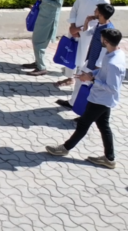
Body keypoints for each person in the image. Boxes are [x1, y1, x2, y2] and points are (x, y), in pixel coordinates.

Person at [46, 28, 124, 169]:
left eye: (101, 38)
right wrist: (91, 73)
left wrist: (92, 80)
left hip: (100, 99)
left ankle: (65, 148)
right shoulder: (115, 53)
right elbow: (103, 72)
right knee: (104, 126)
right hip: (100, 98)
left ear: (105, 41)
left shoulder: (114, 63)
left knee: (83, 124)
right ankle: (109, 158)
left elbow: (113, 88)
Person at [57, 0, 109, 96]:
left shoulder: (104, 0)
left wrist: (80, 29)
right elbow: (74, 9)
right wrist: (72, 26)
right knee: (71, 53)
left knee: (81, 57)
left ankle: (80, 80)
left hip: (88, 35)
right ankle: (70, 78)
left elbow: (99, 19)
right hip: (74, 29)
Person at [23, 0, 66, 76]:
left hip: (49, 19)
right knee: (36, 40)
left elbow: (58, 4)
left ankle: (42, 67)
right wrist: (38, 1)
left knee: (39, 43)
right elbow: (46, 0)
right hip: (42, 15)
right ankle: (37, 62)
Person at [71, 4, 117, 107]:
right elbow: (87, 33)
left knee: (86, 86)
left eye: (96, 10)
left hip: (95, 65)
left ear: (100, 14)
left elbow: (104, 50)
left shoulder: (108, 30)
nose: (94, 11)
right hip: (90, 59)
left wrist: (96, 68)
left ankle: (82, 111)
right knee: (79, 81)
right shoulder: (99, 24)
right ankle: (73, 103)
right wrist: (87, 21)